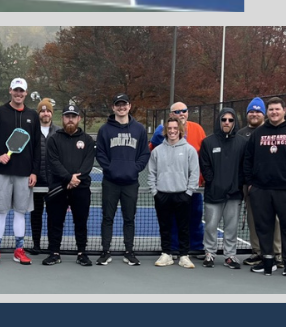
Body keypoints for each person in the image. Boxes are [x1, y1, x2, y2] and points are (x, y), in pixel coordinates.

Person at [242, 96, 286, 277]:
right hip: (261, 190)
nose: (274, 112)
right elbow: (248, 160)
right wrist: (251, 185)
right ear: (267, 112)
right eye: (271, 109)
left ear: (284, 111)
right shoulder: (258, 133)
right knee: (264, 228)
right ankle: (268, 261)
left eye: (277, 109)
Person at [0, 77, 39, 265]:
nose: (18, 94)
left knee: (21, 212)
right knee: (1, 212)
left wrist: (34, 171)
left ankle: (19, 250)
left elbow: (37, 146)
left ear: (26, 93)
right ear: (10, 91)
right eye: (16, 90)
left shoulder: (33, 115)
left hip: (24, 173)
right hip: (2, 172)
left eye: (21, 91)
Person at [94, 93, 149, 266]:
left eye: (124, 104)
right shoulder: (104, 130)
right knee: (107, 218)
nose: (121, 107)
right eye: (118, 104)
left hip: (130, 183)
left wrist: (134, 168)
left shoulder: (139, 129)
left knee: (129, 219)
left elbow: (144, 153)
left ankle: (129, 252)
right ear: (113, 107)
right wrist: (110, 169)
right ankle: (105, 252)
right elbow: (100, 154)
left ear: (129, 106)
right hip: (110, 182)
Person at [149, 102, 207, 258]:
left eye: (185, 111)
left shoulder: (198, 129)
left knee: (194, 218)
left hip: (192, 188)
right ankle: (173, 249)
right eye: (178, 111)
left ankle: (196, 247)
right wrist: (155, 189)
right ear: (171, 115)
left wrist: (199, 180)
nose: (182, 113)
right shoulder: (161, 132)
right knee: (171, 221)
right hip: (168, 188)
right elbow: (153, 152)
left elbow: (204, 155)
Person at [42, 105, 95, 267]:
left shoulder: (87, 140)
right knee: (55, 221)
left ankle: (81, 253)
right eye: (67, 116)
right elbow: (53, 162)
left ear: (79, 118)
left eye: (73, 116)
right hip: (58, 188)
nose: (70, 119)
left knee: (80, 222)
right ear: (63, 118)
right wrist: (68, 178)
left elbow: (87, 163)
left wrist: (76, 179)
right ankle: (54, 253)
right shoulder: (54, 139)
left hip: (81, 189)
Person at [199, 107, 247, 269]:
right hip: (214, 193)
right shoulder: (208, 142)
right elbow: (205, 166)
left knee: (231, 227)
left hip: (234, 194)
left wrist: (238, 184)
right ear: (219, 121)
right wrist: (213, 181)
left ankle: (230, 255)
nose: (227, 122)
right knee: (211, 225)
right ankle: (210, 253)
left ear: (235, 122)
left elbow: (244, 167)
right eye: (224, 119)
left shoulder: (242, 143)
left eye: (230, 120)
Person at [238, 97, 282, 268]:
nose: (254, 114)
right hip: (250, 185)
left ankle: (277, 254)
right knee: (254, 219)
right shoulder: (240, 134)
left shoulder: (272, 131)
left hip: (273, 184)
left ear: (263, 114)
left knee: (275, 220)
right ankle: (258, 252)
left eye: (258, 111)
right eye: (251, 111)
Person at [29, 98, 60, 255]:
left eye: (48, 110)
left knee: (53, 216)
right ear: (38, 113)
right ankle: (36, 245)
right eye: (42, 110)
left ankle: (52, 246)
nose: (45, 113)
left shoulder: (59, 132)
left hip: (54, 183)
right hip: (36, 182)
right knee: (36, 215)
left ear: (51, 113)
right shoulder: (32, 131)